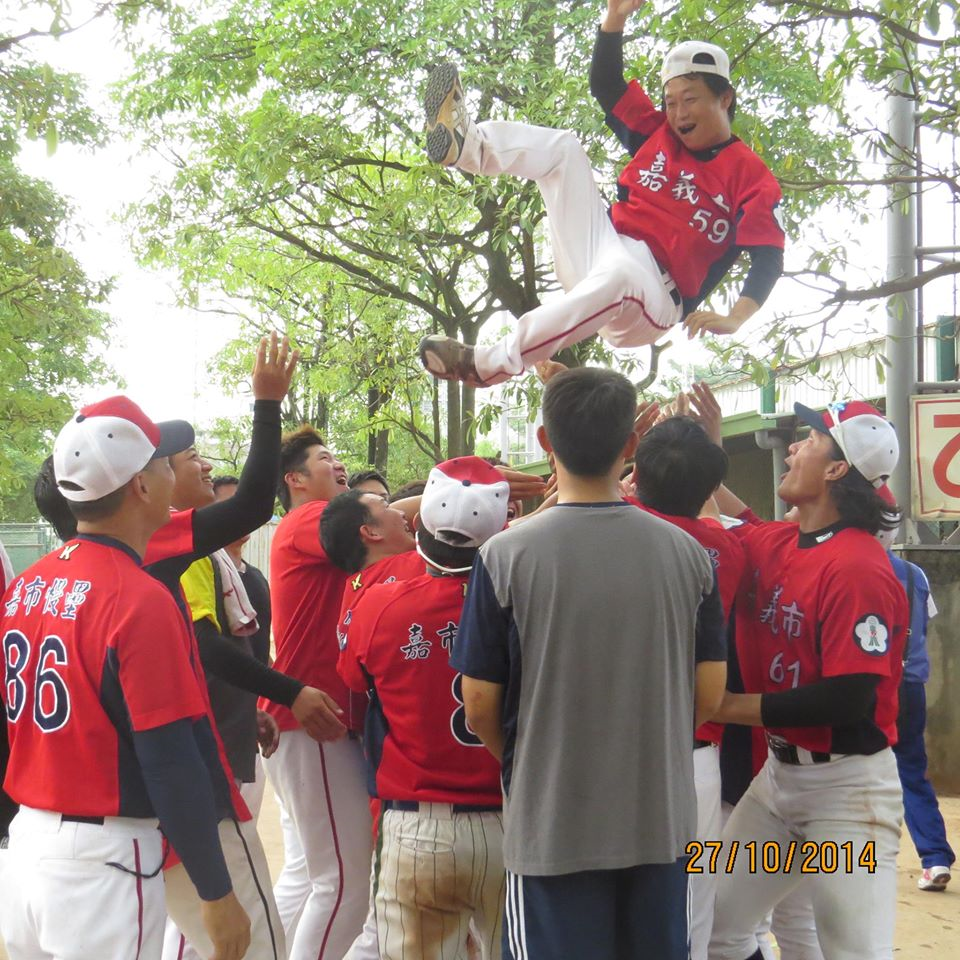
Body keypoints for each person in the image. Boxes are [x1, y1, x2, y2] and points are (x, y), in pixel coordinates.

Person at [452, 366, 726, 959]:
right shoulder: (690, 555)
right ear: (630, 446)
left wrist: (532, 763)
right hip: (661, 825)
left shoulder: (505, 555)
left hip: (554, 829)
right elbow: (709, 697)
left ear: (546, 441)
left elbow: (479, 708)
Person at [417, 0, 784, 388]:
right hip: (601, 247)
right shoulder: (657, 134)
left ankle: (484, 364)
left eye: (690, 99)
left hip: (654, 296)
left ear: (724, 98)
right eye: (671, 102)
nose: (678, 114)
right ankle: (469, 147)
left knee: (622, 274)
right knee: (564, 149)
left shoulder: (751, 176)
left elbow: (769, 256)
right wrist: (615, 18)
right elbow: (607, 86)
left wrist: (737, 316)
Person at [0, 396, 250, 960]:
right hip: (102, 860)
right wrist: (215, 891)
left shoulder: (27, 585)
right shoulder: (137, 596)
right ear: (140, 485)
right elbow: (170, 756)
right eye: (163, 465)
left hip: (27, 848)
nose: (171, 473)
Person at [706, 397, 909, 960]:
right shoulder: (779, 540)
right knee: (716, 926)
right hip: (779, 782)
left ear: (838, 469)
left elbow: (849, 697)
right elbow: (726, 520)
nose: (792, 447)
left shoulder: (859, 565)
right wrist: (705, 450)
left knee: (853, 951)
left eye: (809, 439)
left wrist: (725, 706)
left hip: (848, 796)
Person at [339, 457, 511, 960]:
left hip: (419, 827)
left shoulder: (380, 603)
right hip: (513, 818)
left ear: (419, 527)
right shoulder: (524, 603)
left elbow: (354, 681)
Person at [629, 414, 742, 960]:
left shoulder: (620, 526)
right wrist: (704, 452)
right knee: (694, 905)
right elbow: (715, 516)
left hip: (614, 750)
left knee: (613, 901)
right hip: (696, 754)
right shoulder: (728, 547)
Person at [261, 425, 371, 960]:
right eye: (327, 457)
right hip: (311, 722)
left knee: (310, 871)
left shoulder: (308, 523)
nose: (339, 464)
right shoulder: (309, 519)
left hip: (305, 721)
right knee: (345, 882)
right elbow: (376, 526)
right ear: (296, 479)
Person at [878, 520, 955, 892]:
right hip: (911, 687)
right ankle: (935, 857)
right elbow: (927, 621)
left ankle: (859, 861)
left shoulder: (855, 567)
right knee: (911, 770)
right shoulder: (915, 574)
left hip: (870, 686)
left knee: (849, 770)